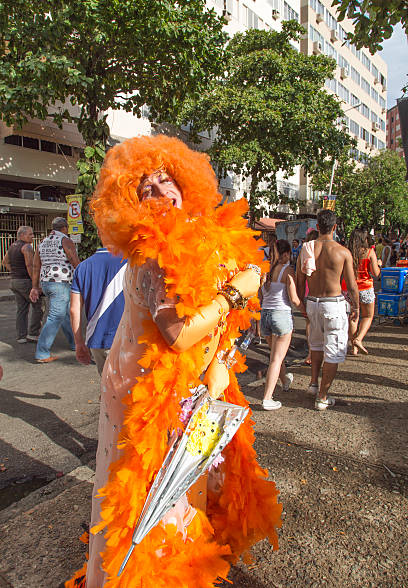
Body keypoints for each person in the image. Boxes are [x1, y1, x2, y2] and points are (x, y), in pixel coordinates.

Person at [66, 135, 281, 588]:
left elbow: (216, 329)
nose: (163, 194)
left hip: (185, 388)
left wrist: (222, 358)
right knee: (145, 494)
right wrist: (237, 289)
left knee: (181, 486)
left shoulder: (199, 243)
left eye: (168, 183)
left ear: (187, 187)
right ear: (131, 204)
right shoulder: (155, 252)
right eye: (147, 189)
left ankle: (174, 572)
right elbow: (179, 333)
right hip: (146, 391)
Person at [297, 209, 359, 411]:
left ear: (317, 226)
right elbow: (351, 286)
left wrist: (302, 304)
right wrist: (356, 306)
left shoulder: (307, 248)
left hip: (312, 302)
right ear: (334, 227)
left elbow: (300, 281)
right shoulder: (342, 252)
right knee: (333, 352)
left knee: (315, 345)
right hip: (333, 303)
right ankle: (322, 397)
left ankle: (314, 384)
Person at [260, 239, 305, 410]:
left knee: (275, 356)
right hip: (281, 315)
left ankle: (285, 380)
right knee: (276, 359)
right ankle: (267, 398)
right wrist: (306, 312)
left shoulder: (266, 272)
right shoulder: (288, 271)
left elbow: (261, 297)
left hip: (265, 315)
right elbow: (294, 299)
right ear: (285, 254)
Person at [30, 217, 80, 363]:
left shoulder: (43, 242)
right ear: (64, 228)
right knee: (56, 316)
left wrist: (35, 286)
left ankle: (74, 343)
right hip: (61, 282)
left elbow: (35, 266)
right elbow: (73, 259)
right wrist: (84, 277)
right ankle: (42, 353)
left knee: (64, 314)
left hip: (46, 282)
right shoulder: (65, 240)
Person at [70, 247, 127, 375]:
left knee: (107, 387)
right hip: (127, 339)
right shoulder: (134, 263)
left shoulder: (82, 267)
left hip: (97, 338)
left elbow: (74, 309)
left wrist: (79, 343)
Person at [342, 229, 381, 355]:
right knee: (368, 316)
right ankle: (358, 339)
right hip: (366, 288)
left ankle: (354, 347)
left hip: (349, 289)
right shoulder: (369, 252)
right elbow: (375, 273)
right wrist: (379, 264)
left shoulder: (347, 252)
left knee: (353, 317)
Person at [2, 226, 44, 343]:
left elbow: (5, 262)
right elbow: (30, 266)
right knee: (38, 306)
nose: (32, 236)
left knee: (21, 309)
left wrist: (14, 271)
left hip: (14, 281)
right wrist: (36, 285)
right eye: (30, 234)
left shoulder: (12, 246)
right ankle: (33, 333)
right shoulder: (27, 247)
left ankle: (21, 336)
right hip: (25, 281)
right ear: (22, 235)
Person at [301, 228, 319, 366]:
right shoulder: (322, 252)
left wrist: (299, 298)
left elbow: (299, 278)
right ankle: (317, 352)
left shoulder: (305, 253)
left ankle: (310, 353)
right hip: (321, 293)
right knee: (319, 325)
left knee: (309, 324)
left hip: (308, 293)